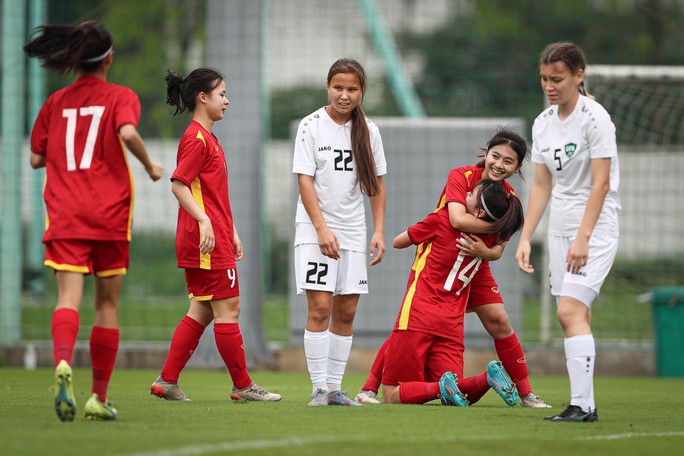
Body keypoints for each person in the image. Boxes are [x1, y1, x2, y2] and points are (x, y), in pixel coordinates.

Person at [24, 20, 164, 421]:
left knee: (67, 298)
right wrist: (150, 165)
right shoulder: (120, 95)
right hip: (109, 215)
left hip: (66, 214)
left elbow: (36, 158)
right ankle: (98, 396)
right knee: (107, 303)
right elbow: (128, 131)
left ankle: (63, 362)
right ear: (109, 58)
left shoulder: (55, 103)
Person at [356, 129, 551, 409]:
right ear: (486, 153)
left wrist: (485, 251)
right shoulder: (462, 177)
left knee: (498, 321)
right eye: (495, 156)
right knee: (409, 325)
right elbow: (457, 220)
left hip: (474, 260)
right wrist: (498, 225)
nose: (499, 164)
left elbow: (497, 251)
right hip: (440, 255)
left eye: (509, 161)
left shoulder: (510, 201)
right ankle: (369, 387)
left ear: (518, 168)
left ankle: (526, 393)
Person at [149, 68, 280, 403]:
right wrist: (205, 223)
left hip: (214, 236)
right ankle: (243, 385)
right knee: (229, 308)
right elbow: (179, 185)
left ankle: (167, 381)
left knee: (203, 310)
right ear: (202, 98)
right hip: (204, 241)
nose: (227, 100)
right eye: (221, 93)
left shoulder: (209, 139)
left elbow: (212, 194)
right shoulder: (196, 139)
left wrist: (230, 230)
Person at [515, 42, 620, 423]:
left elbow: (601, 184)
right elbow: (542, 185)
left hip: (595, 230)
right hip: (560, 231)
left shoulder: (596, 118)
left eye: (557, 78)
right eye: (544, 78)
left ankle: (582, 406)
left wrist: (584, 237)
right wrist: (526, 237)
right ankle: (584, 405)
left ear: (579, 75)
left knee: (568, 310)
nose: (549, 86)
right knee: (577, 316)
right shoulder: (542, 123)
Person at [293, 58, 387, 406]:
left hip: (353, 230)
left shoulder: (370, 131)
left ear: (361, 92)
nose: (344, 95)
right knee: (319, 307)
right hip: (315, 229)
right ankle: (318, 388)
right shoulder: (311, 126)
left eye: (352, 89)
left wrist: (378, 231)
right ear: (327, 87)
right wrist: (321, 229)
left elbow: (376, 185)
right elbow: (304, 180)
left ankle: (335, 389)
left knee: (346, 311)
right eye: (338, 88)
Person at [381, 179, 524, 406]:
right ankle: (487, 378)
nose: (463, 195)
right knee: (454, 391)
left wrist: (424, 237)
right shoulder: (490, 239)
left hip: (418, 315)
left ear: (477, 212)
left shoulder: (441, 219)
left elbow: (399, 242)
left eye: (470, 195)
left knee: (392, 394)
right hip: (452, 324)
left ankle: (440, 386)